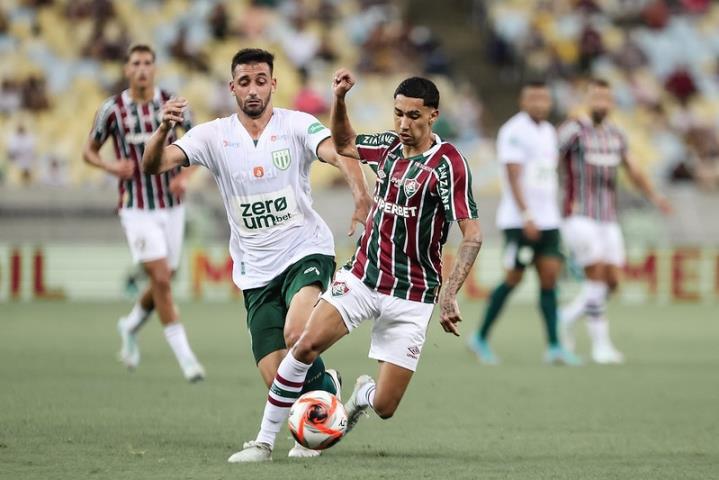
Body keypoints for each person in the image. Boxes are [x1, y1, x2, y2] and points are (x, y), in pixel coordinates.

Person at [226, 70, 482, 463]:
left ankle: (361, 395)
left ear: (434, 115)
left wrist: (448, 295)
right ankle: (263, 441)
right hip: (364, 276)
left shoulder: (448, 165)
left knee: (385, 404)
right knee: (303, 344)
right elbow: (344, 143)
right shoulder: (388, 147)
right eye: (398, 114)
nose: (403, 124)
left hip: (413, 294)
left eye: (414, 116)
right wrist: (340, 99)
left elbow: (472, 235)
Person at [141, 49, 371, 458]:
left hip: (305, 250)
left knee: (297, 333)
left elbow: (338, 152)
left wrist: (360, 196)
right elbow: (154, 165)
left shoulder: (296, 125)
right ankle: (329, 393)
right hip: (254, 270)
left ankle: (272, 439)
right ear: (232, 87)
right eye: (244, 82)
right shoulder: (214, 135)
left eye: (260, 80)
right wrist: (162, 129)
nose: (253, 89)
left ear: (273, 84)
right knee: (277, 374)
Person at [82, 44, 204, 382]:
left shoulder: (172, 104)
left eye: (148, 63)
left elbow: (198, 146)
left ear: (155, 68)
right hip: (136, 207)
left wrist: (186, 175)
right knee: (162, 278)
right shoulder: (112, 109)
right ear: (126, 69)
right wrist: (109, 165)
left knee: (167, 276)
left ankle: (130, 324)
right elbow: (88, 151)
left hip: (171, 205)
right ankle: (186, 358)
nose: (142, 69)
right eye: (135, 63)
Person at [557, 78, 671, 364]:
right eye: (596, 98)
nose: (601, 103)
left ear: (612, 103)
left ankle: (566, 317)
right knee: (596, 275)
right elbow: (549, 157)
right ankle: (600, 346)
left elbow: (634, 170)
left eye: (606, 99)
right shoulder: (574, 130)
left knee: (613, 282)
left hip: (608, 217)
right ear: (587, 100)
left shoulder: (616, 134)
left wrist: (655, 197)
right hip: (578, 214)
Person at [468, 80, 580, 365]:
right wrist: (527, 214)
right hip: (520, 221)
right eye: (534, 99)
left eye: (544, 98)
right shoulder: (513, 131)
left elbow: (547, 174)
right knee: (513, 277)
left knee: (550, 277)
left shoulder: (548, 132)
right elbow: (513, 175)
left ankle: (554, 346)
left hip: (549, 220)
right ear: (523, 101)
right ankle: (480, 336)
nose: (540, 104)